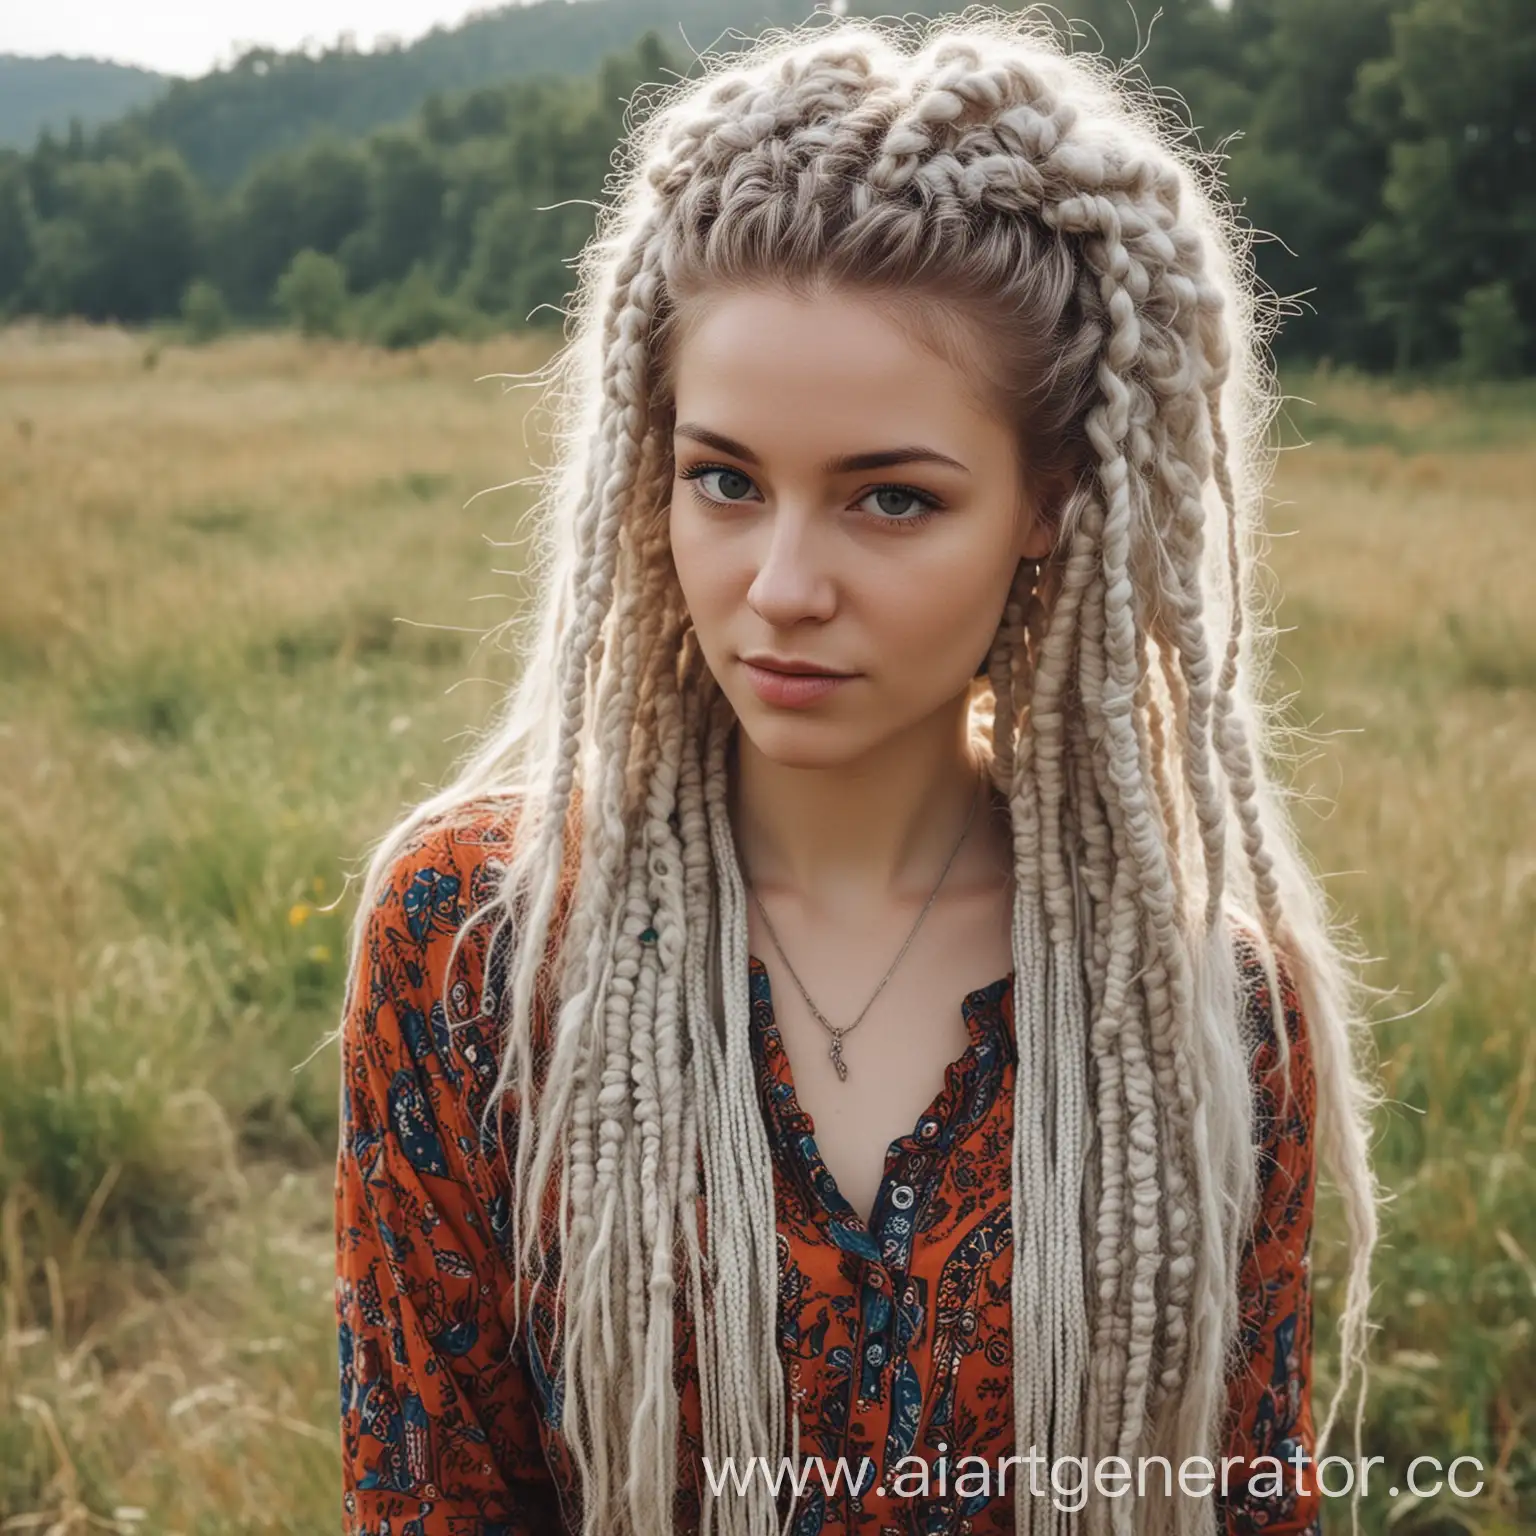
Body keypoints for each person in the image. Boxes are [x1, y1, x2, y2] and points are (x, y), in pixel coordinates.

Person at [333, 12, 1380, 1535]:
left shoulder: (1207, 1016)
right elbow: (427, 1494)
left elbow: (1242, 1504)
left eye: (891, 498)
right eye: (726, 481)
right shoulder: (475, 947)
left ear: (1051, 504)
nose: (780, 585)